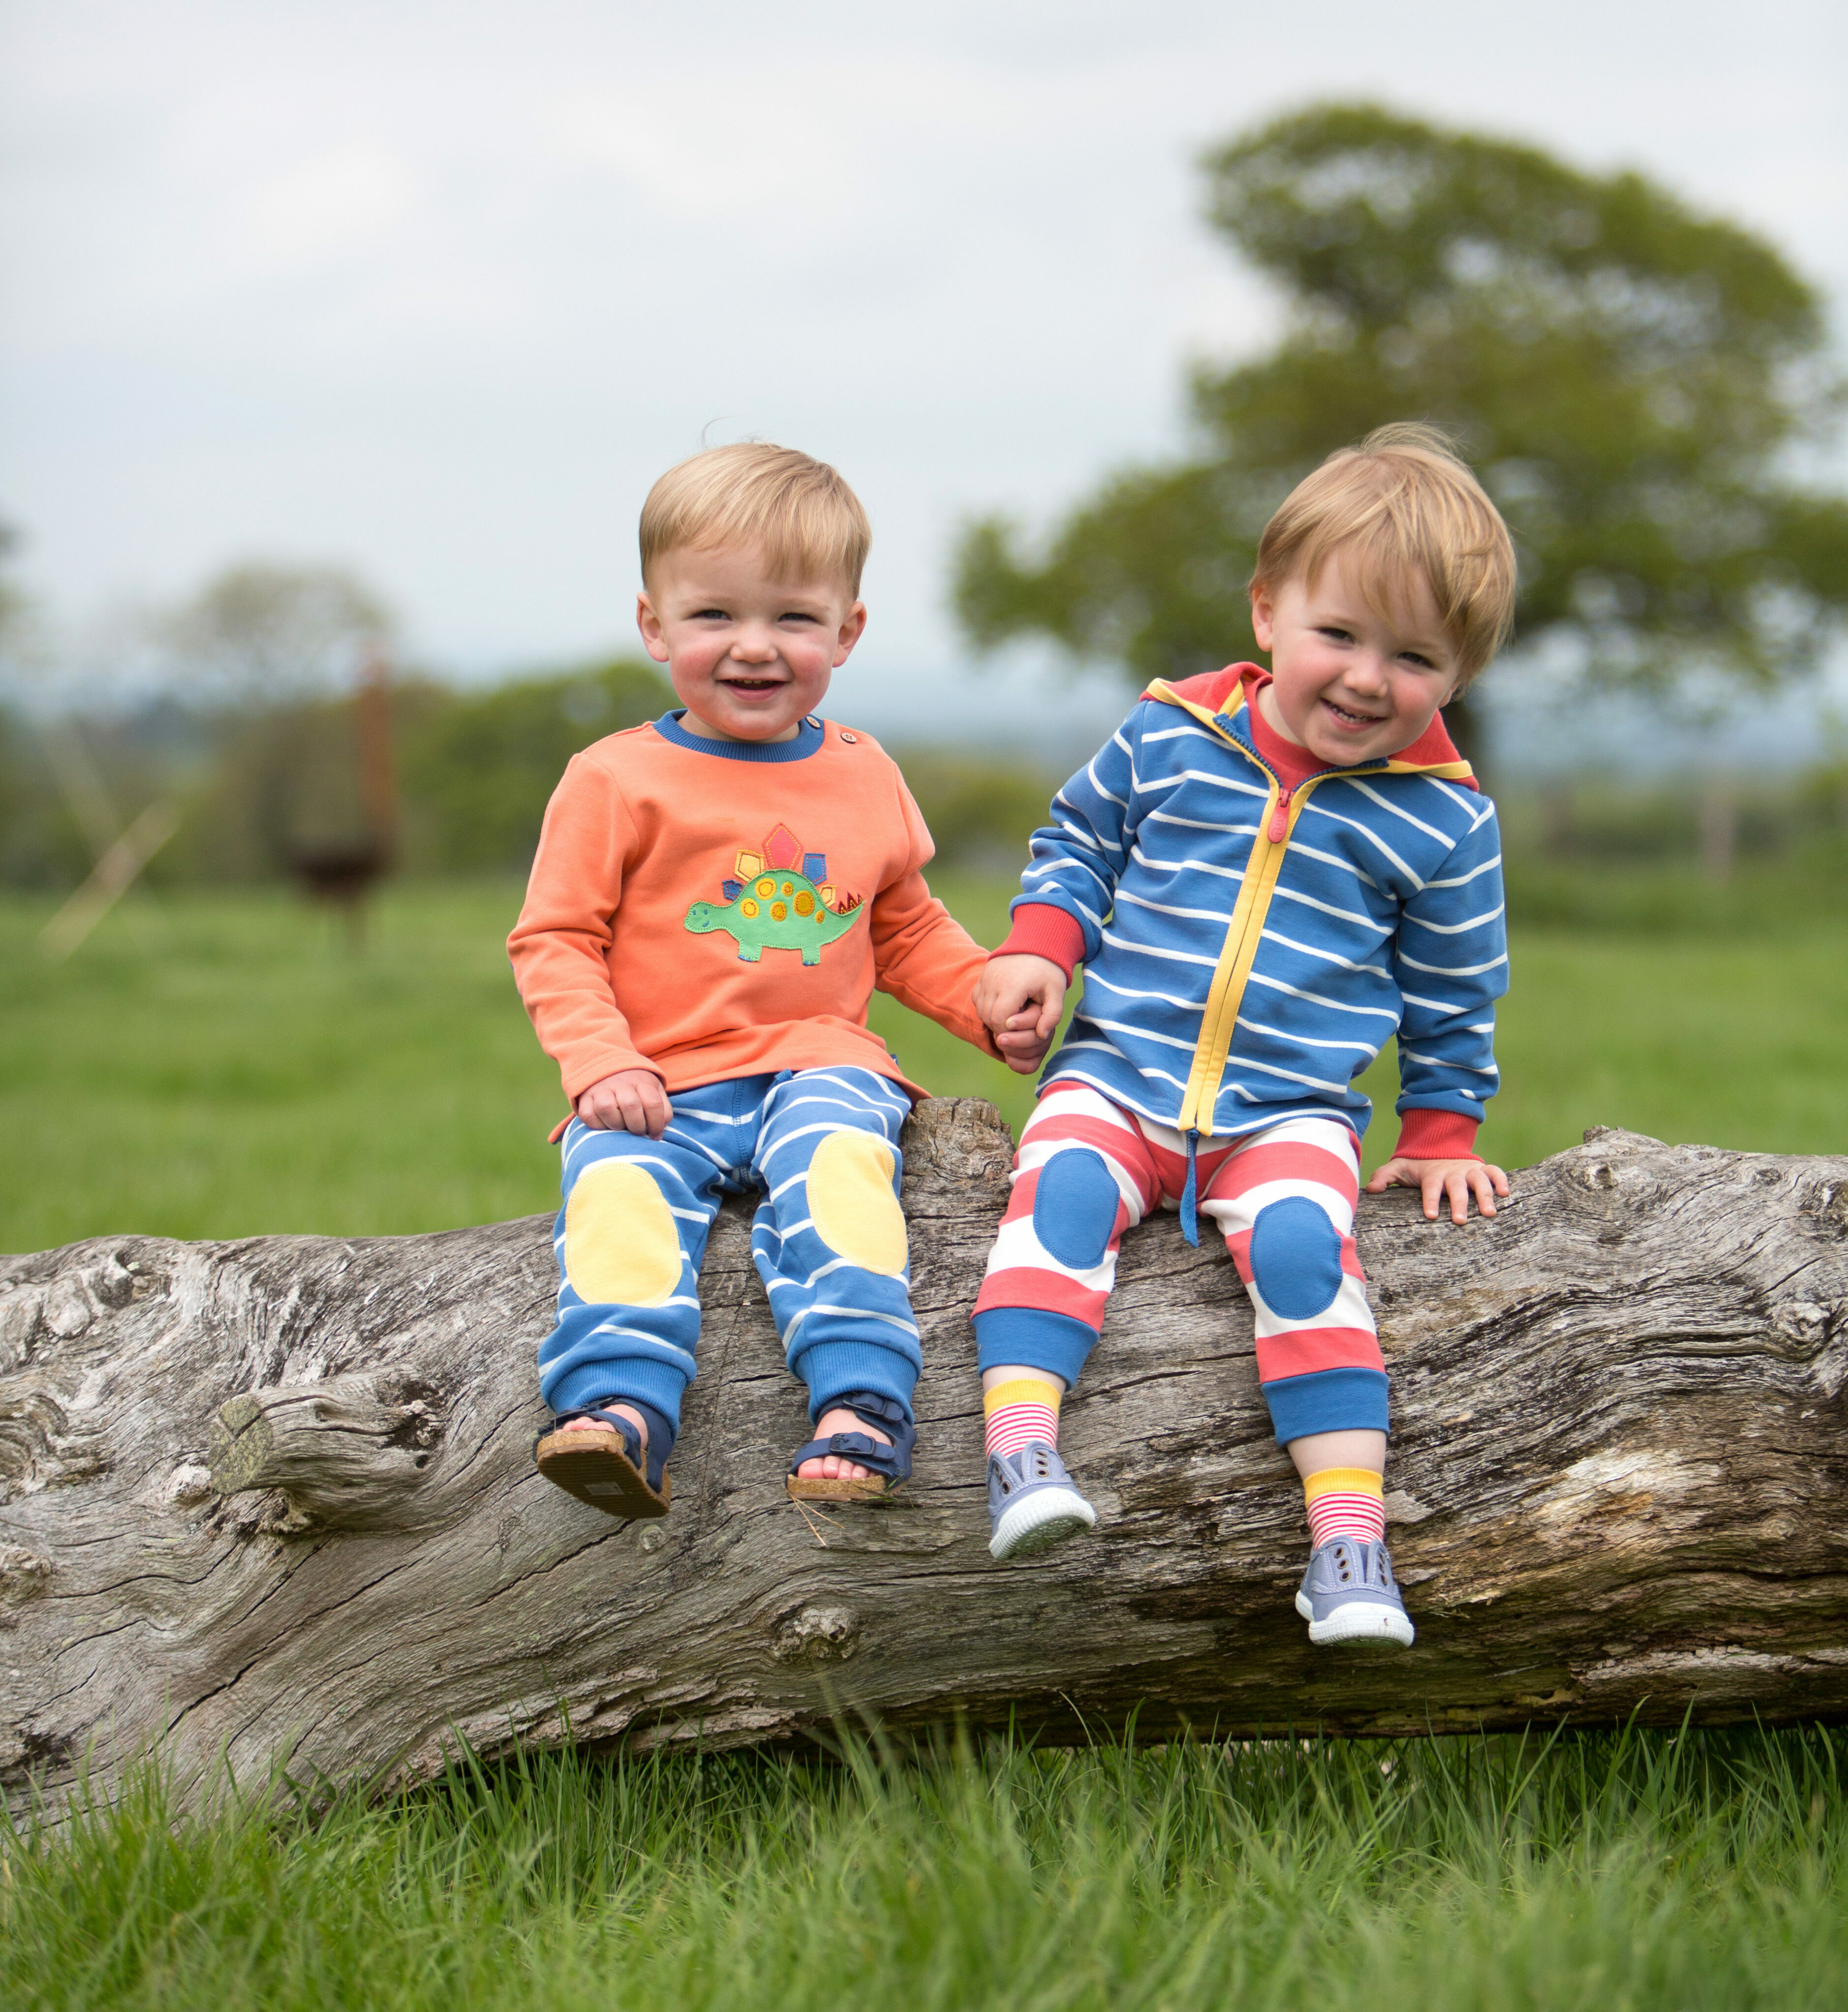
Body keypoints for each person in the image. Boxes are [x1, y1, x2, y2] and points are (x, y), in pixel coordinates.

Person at [970, 423, 1515, 1648]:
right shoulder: (1173, 731)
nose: (1370, 678)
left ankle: (1347, 1538)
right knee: (1057, 1191)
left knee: (1307, 1254)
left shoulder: (1444, 820)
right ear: (1268, 611)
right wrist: (1041, 950)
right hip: (1119, 1068)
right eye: (1340, 635)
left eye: (1415, 655)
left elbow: (1454, 988)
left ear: (1459, 674)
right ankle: (1022, 1448)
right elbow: (1080, 843)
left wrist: (1441, 1131)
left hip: (1289, 1110)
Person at [510, 442, 997, 1520]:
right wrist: (601, 1061)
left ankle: (862, 1399)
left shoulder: (864, 771)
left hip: (818, 1060)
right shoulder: (614, 779)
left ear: (847, 631)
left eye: (791, 618)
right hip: (661, 1079)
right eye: (714, 615)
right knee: (619, 1192)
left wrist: (985, 998)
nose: (753, 647)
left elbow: (905, 928)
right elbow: (554, 939)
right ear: (654, 625)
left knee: (837, 1174)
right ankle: (620, 1411)